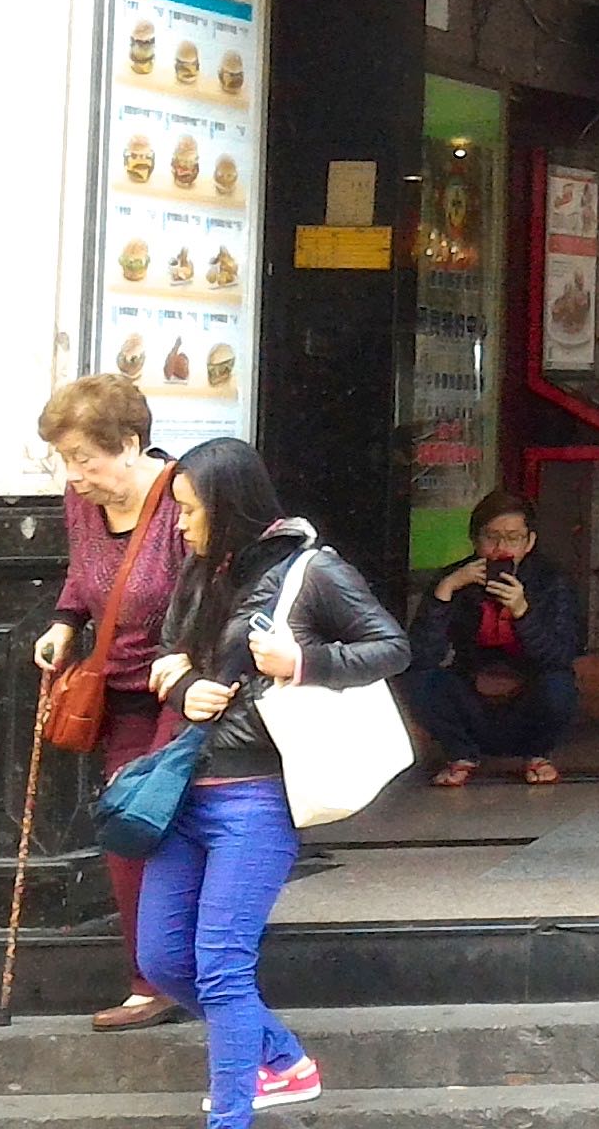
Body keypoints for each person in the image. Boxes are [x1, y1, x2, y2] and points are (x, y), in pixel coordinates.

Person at [138, 439, 410, 1128]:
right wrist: (184, 686)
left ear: (228, 506)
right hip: (185, 789)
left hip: (254, 796)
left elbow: (391, 647)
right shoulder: (201, 571)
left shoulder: (314, 571)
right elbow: (168, 655)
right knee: (163, 960)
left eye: (190, 510)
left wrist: (302, 661)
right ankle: (282, 1059)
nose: (181, 525)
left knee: (221, 967)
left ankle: (231, 1117)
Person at [26, 378, 190, 1032]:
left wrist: (193, 662)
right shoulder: (83, 500)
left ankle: (187, 972)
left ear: (129, 443)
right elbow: (84, 569)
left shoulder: (184, 499)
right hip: (118, 690)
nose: (73, 474)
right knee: (127, 830)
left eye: (83, 458)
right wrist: (65, 621)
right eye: (64, 459)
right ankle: (150, 980)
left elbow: (222, 585)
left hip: (184, 691)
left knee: (168, 824)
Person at [410, 489, 585, 788]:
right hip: (472, 696)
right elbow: (422, 655)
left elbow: (561, 655)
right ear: (475, 540)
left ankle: (538, 754)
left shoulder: (551, 581)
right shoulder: (457, 578)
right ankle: (461, 754)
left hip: (528, 698)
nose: (501, 549)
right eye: (491, 537)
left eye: (513, 538)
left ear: (529, 542)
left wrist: (523, 612)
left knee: (559, 684)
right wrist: (445, 592)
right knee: (417, 680)